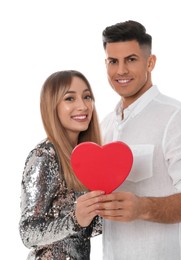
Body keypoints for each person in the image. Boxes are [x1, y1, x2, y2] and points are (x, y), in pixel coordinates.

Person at [97, 20, 181, 260]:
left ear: (150, 62)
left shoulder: (176, 117)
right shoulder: (104, 126)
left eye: (131, 59)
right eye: (113, 62)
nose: (121, 71)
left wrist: (143, 208)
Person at [19, 70, 104, 260]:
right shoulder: (44, 157)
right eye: (70, 99)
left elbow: (85, 230)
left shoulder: (85, 158)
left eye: (87, 97)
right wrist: (75, 219)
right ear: (52, 106)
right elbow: (28, 233)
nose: (83, 106)